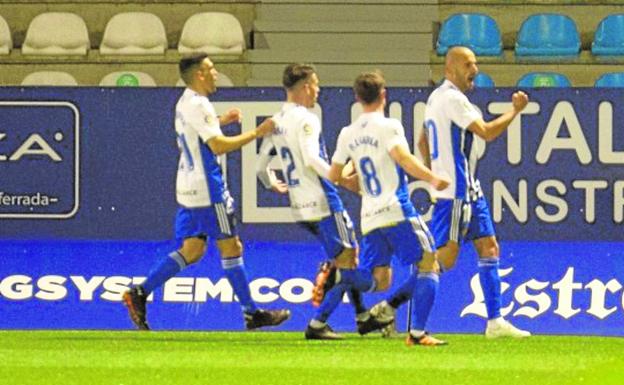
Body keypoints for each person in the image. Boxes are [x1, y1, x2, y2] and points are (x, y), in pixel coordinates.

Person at [122, 53, 290, 331]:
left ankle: (140, 292)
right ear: (199, 74)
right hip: (209, 190)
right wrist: (257, 132)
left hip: (188, 188)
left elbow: (195, 133)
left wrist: (221, 120)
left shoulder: (186, 103)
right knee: (231, 246)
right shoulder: (199, 105)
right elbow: (218, 147)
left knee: (193, 249)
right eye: (211, 69)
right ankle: (252, 313)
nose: (216, 73)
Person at [373, 46, 531, 339]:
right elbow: (486, 132)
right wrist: (515, 111)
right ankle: (390, 309)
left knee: (489, 247)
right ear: (451, 69)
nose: (476, 69)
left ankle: (495, 322)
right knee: (442, 258)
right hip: (457, 193)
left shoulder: (435, 99)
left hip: (468, 190)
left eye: (476, 63)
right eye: (469, 64)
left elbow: (422, 141)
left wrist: (434, 173)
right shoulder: (453, 99)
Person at [255, 63, 389, 340]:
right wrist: (340, 178)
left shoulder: (277, 119)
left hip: (299, 205)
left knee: (346, 257)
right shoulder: (306, 118)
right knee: (347, 259)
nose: (318, 89)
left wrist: (272, 182)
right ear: (305, 87)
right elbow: (310, 158)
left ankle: (362, 317)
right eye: (315, 84)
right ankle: (319, 324)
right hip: (322, 201)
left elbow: (260, 166)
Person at [327, 70, 451, 346]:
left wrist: (354, 182)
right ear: (384, 95)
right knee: (429, 263)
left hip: (369, 217)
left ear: (357, 98)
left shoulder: (348, 133)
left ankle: (341, 275)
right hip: (396, 210)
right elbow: (403, 158)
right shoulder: (389, 127)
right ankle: (418, 334)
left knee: (379, 280)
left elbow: (334, 177)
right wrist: (432, 178)